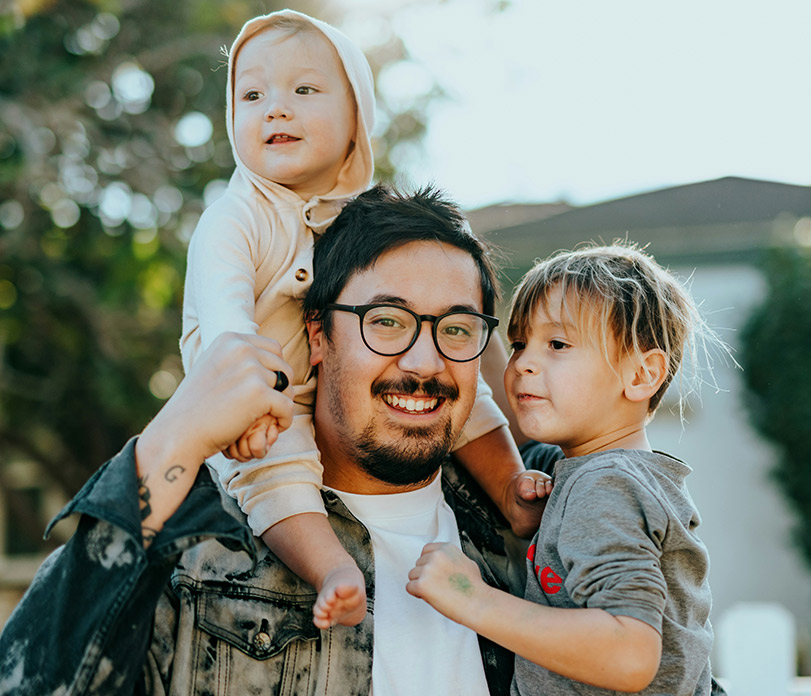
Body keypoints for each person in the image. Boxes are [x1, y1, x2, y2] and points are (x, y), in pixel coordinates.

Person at [0, 185, 550, 696]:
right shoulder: (203, 550)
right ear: (317, 335)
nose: (425, 361)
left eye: (455, 328)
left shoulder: (546, 521)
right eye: (386, 321)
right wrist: (172, 438)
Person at [180, 9, 544, 630]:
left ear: (357, 121)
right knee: (277, 475)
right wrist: (246, 405)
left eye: (303, 90)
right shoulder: (236, 217)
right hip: (258, 401)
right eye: (252, 94)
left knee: (465, 389)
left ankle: (511, 488)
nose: (276, 109)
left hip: (314, 388)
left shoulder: (363, 223)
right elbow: (225, 324)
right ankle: (332, 568)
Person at [407, 242, 730, 694]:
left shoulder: (606, 487)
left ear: (641, 375)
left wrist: (474, 600)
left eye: (557, 343)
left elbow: (630, 654)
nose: (524, 364)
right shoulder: (589, 473)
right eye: (519, 343)